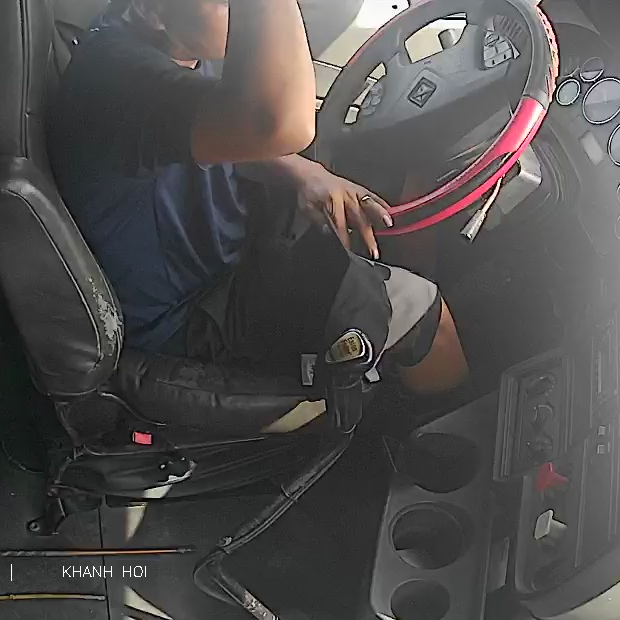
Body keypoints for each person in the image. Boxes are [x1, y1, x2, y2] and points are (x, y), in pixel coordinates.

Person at [49, 0, 468, 395]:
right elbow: (274, 121)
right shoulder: (118, 78)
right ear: (152, 11)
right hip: (190, 317)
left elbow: (208, 123)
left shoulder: (179, 43)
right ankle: (427, 430)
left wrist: (301, 170)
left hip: (225, 249)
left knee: (382, 205)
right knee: (423, 314)